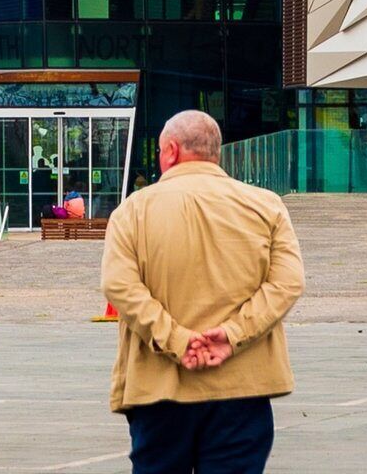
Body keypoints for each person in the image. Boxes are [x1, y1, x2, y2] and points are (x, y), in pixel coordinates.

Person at [99, 109, 300, 474]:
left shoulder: (132, 212)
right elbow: (287, 283)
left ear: (171, 151)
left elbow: (119, 285)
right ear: (215, 153)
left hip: (159, 391)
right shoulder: (266, 206)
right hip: (243, 389)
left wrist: (176, 339)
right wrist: (233, 334)